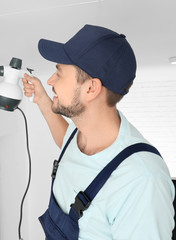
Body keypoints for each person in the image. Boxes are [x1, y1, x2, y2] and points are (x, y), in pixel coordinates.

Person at [22, 24, 175, 240]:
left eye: (59, 73)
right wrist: (42, 100)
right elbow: (67, 144)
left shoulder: (142, 181)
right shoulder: (80, 129)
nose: (50, 81)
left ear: (91, 88)